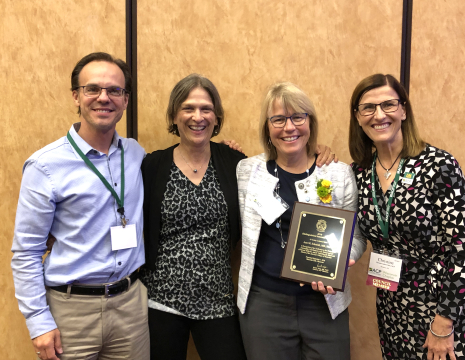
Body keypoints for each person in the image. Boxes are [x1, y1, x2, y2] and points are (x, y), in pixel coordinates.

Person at [11, 52, 149, 360]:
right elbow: (27, 251)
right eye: (93, 89)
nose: (104, 98)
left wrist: (224, 151)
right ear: (76, 95)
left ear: (125, 100)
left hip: (131, 308)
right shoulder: (45, 166)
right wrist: (38, 322)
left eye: (115, 90)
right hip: (70, 312)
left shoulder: (135, 153)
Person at [349, 74, 465, 360]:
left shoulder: (438, 165)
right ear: (357, 117)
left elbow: (463, 248)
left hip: (442, 305)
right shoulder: (359, 172)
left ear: (404, 110)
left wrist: (444, 323)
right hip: (392, 304)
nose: (379, 115)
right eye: (368, 108)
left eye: (388, 104)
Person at [236, 82, 367, 360]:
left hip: (324, 305)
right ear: (267, 128)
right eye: (279, 119)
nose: (289, 127)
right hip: (264, 306)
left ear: (310, 122)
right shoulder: (247, 171)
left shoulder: (338, 174)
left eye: (298, 117)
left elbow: (356, 236)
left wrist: (345, 260)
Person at [140, 74, 248, 360]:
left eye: (205, 109)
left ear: (216, 117)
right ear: (175, 115)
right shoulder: (152, 166)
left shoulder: (235, 163)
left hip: (218, 300)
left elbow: (279, 168)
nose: (197, 117)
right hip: (160, 302)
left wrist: (319, 153)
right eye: (188, 108)